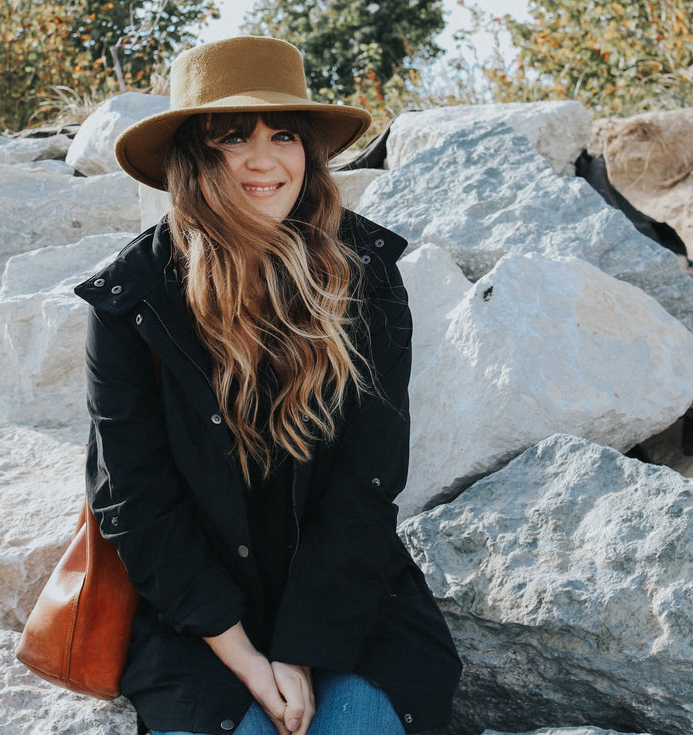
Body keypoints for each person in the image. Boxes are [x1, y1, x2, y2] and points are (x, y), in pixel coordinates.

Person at [74, 36, 461, 735]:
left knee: (355, 726)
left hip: (346, 597)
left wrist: (305, 651)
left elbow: (367, 483)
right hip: (196, 614)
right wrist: (249, 659)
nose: (264, 159)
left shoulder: (366, 275)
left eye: (284, 135)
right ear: (192, 157)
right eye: (233, 138)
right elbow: (135, 500)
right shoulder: (130, 303)